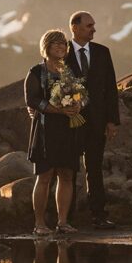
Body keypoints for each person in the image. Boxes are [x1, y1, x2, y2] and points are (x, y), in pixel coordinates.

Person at [25, 29, 85, 235]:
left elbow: (82, 96)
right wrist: (58, 109)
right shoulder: (36, 72)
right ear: (46, 47)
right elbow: (32, 100)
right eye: (56, 43)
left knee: (67, 175)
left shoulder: (70, 72)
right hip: (45, 130)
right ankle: (40, 224)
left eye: (63, 44)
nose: (61, 47)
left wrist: (77, 106)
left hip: (68, 129)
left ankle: (63, 222)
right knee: (45, 176)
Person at [66, 10, 120, 229]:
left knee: (94, 168)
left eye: (93, 25)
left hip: (97, 122)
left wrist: (111, 121)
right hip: (70, 122)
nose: (94, 29)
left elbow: (111, 89)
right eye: (89, 26)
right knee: (68, 169)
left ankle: (98, 215)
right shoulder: (62, 52)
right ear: (75, 28)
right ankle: (65, 218)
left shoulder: (102, 52)